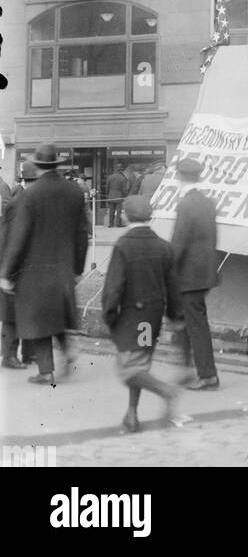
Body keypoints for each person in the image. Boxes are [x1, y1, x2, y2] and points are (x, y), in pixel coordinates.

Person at [0, 144, 88, 385]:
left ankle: (46, 370)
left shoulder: (29, 195)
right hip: (63, 266)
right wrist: (78, 268)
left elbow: (18, 236)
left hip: (34, 267)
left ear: (37, 166)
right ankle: (67, 350)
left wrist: (6, 272)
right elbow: (82, 233)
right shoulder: (74, 192)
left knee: (36, 317)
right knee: (56, 313)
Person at [102, 196, 185, 432]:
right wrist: (176, 316)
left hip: (130, 318)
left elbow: (113, 287)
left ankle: (165, 391)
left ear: (125, 215)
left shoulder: (123, 245)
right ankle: (131, 415)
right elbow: (173, 286)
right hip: (151, 317)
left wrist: (109, 315)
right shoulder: (163, 246)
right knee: (140, 364)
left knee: (129, 369)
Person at [171, 156, 219, 391]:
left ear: (180, 177)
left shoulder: (185, 204)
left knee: (195, 325)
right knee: (189, 322)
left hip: (188, 277)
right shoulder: (208, 202)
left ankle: (207, 375)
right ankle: (189, 369)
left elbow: (179, 242)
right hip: (205, 273)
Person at [0, 161, 38, 368]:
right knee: (13, 313)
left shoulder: (27, 199)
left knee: (27, 311)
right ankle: (9, 355)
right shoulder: (20, 201)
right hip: (15, 264)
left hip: (24, 263)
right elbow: (11, 238)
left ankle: (28, 354)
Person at [106, 163, 127, 228]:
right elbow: (124, 189)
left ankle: (110, 224)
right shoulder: (122, 178)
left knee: (111, 211)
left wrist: (108, 194)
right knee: (118, 211)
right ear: (121, 170)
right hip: (119, 196)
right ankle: (118, 224)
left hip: (111, 195)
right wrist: (124, 196)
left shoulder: (110, 177)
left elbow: (107, 187)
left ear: (115, 169)